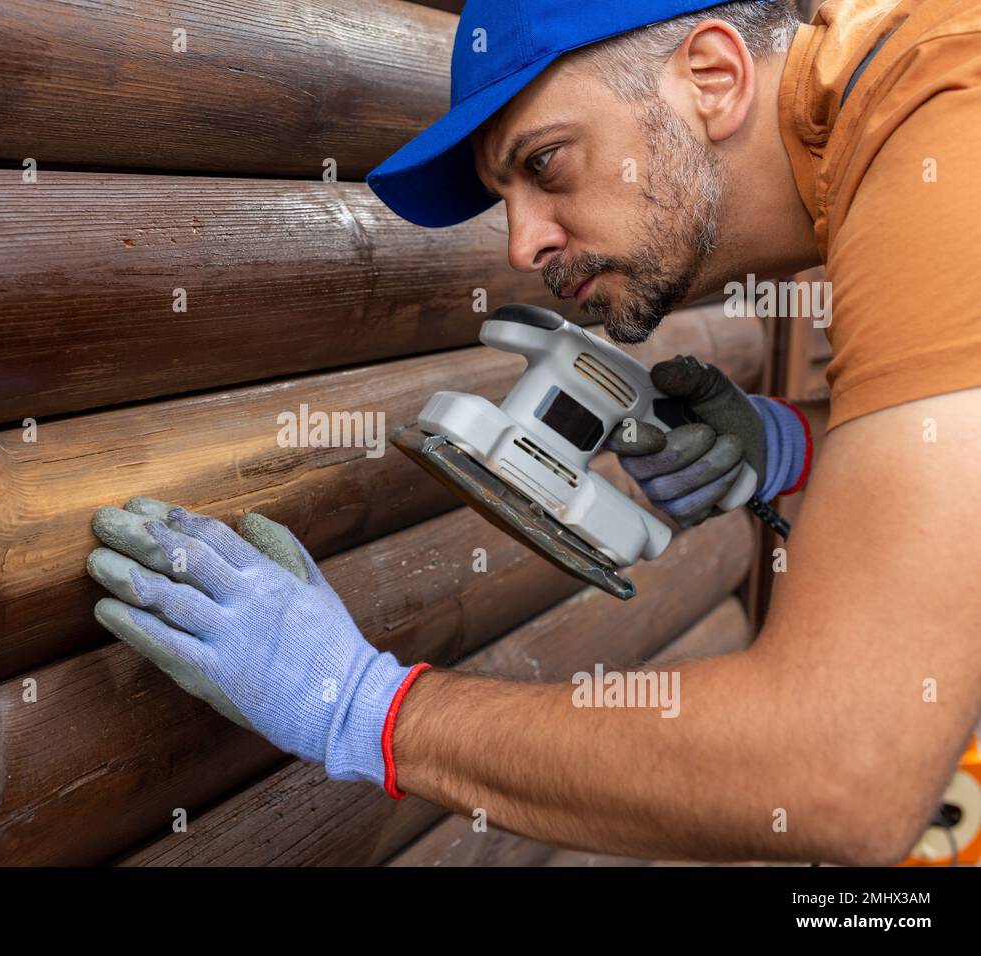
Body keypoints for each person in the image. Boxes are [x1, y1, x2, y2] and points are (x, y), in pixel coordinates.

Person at [85, 0, 981, 865]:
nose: (523, 245)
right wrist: (793, 447)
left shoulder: (944, 120)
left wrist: (368, 711)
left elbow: (837, 769)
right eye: (503, 193)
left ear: (712, 78)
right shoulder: (896, 107)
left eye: (547, 163)